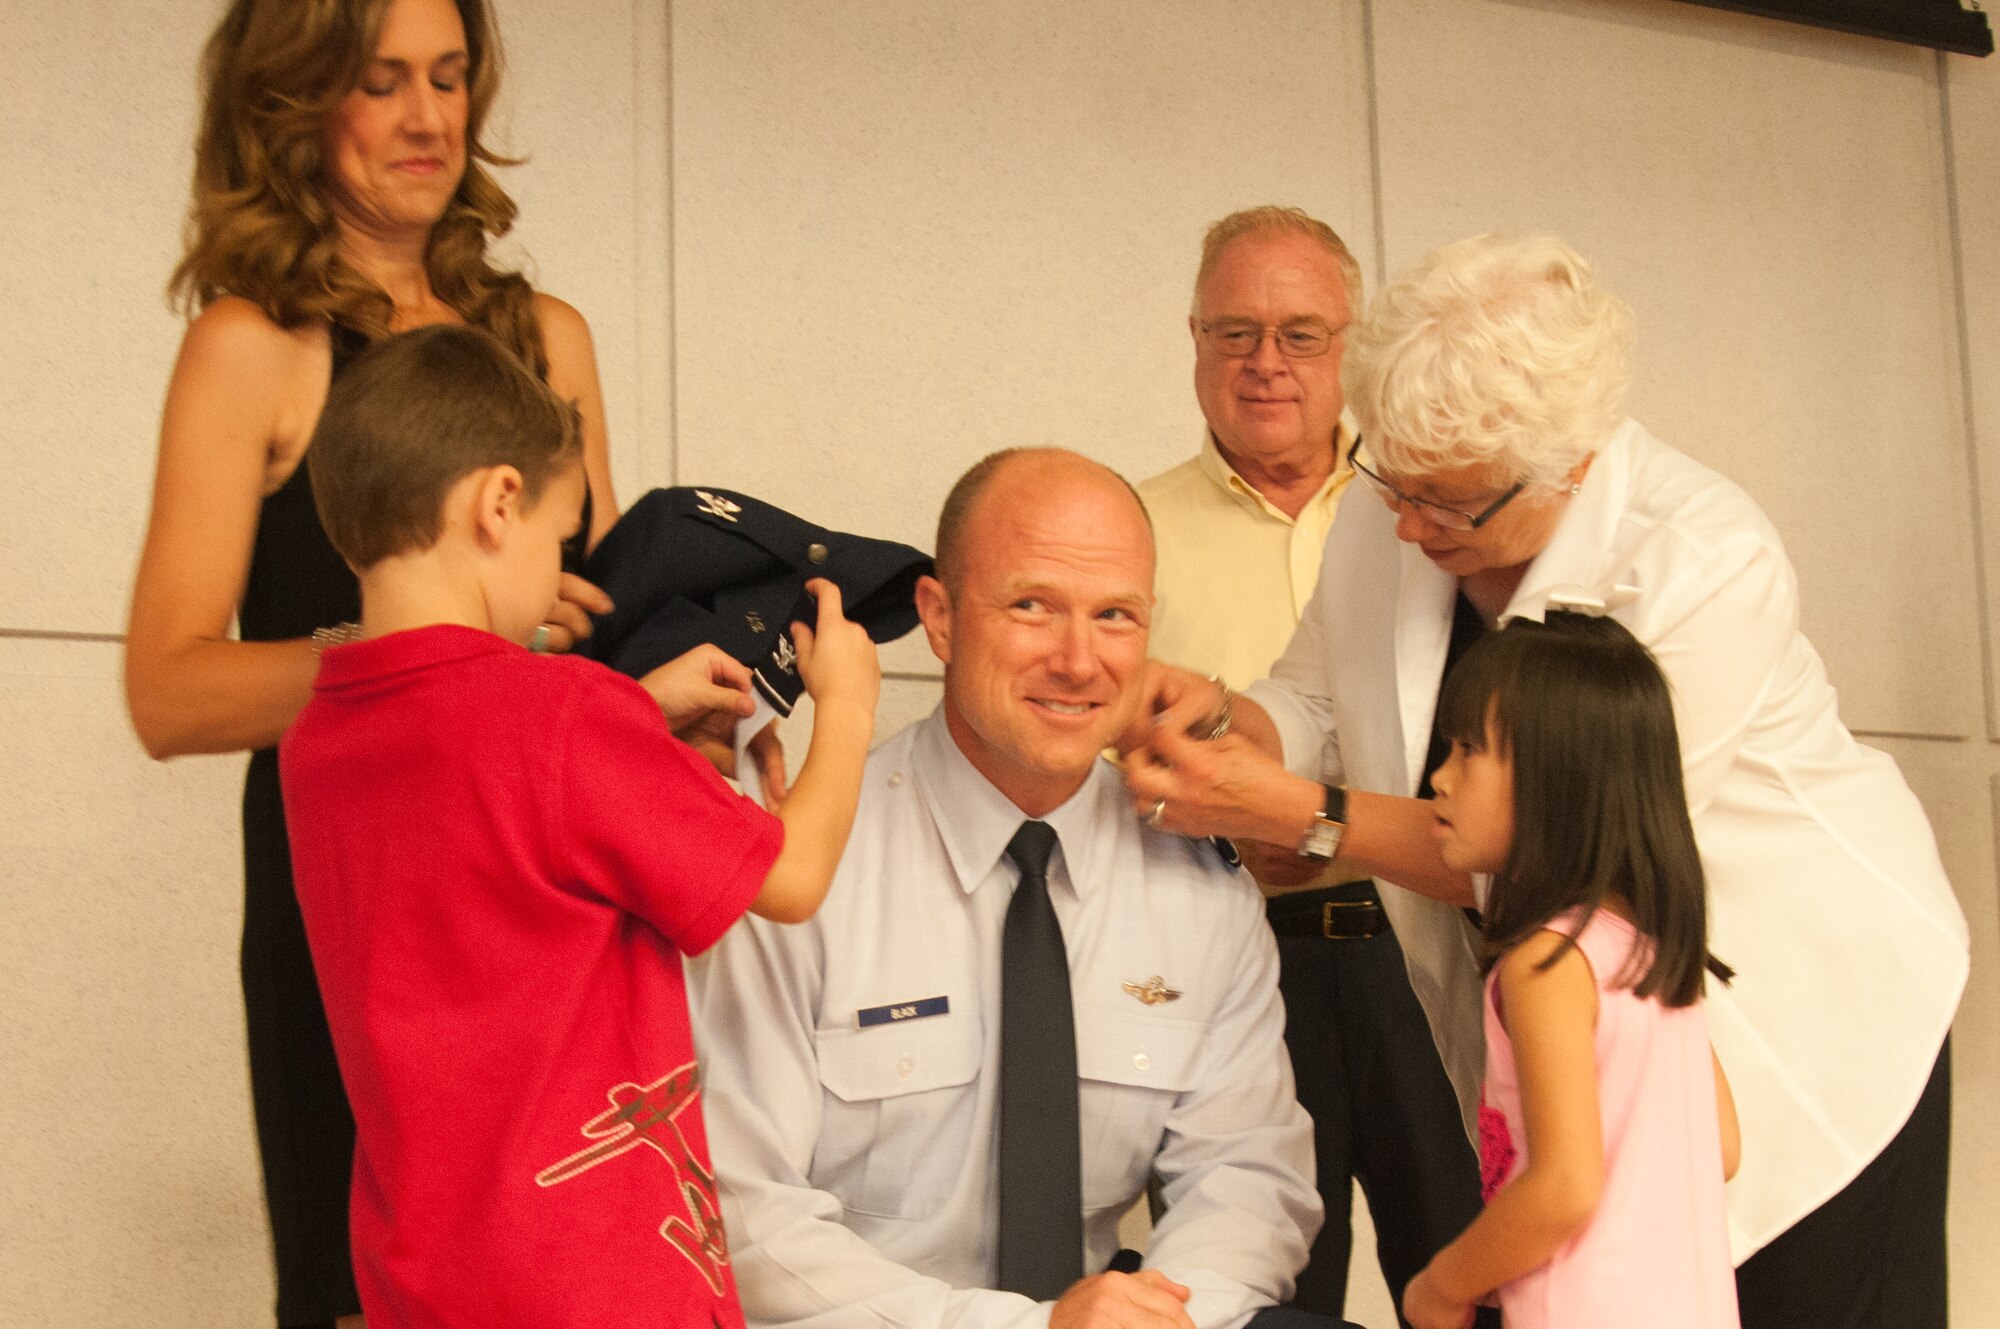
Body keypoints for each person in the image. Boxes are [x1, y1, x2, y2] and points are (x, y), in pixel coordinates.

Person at [1124, 233, 1967, 1329]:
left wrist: (1300, 818)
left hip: (1796, 1011)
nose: (1410, 527)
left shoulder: (1699, 557)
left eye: (1452, 506)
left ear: (1569, 462)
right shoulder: (1401, 509)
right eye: (1390, 482)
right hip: (1593, 1048)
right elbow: (1318, 701)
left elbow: (1566, 854)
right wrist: (1223, 721)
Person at [122, 3, 771, 1323]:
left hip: (559, 902)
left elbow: (596, 635)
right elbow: (168, 689)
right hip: (374, 893)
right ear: (297, 104)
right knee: (362, 1269)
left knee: (579, 1250)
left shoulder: (551, 337)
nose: (429, 119)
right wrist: (429, 669)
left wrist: (677, 708)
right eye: (382, 83)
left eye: (451, 77)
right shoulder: (252, 346)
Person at [278, 324, 880, 1327]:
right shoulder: (560, 714)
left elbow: (480, 804)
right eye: (561, 538)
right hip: (598, 1282)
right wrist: (849, 708)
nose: (561, 571)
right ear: (498, 503)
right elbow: (791, 877)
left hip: (418, 1278)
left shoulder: (319, 740)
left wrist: (633, 713)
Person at [690, 449, 1327, 1329]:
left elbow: (1252, 1177)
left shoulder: (1198, 886)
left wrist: (1164, 1318)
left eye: (1115, 616)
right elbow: (744, 1215)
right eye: (1033, 606)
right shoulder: (806, 870)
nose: (1078, 660)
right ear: (940, 619)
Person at [1138, 205, 1483, 1325]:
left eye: (1299, 333)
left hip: (1429, 950)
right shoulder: (1121, 528)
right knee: (1263, 1298)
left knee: (1477, 1274)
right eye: (1233, 331)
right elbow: (1091, 757)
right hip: (1233, 972)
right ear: (1192, 342)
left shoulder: (1426, 514)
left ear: (1356, 347)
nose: (1263, 363)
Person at [1400, 611, 1740, 1329]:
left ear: (1557, 778)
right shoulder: (1646, 948)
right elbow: (1722, 1144)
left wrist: (1445, 1280)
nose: (1440, 776)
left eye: (1468, 750)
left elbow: (1562, 1186)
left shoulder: (1546, 964)